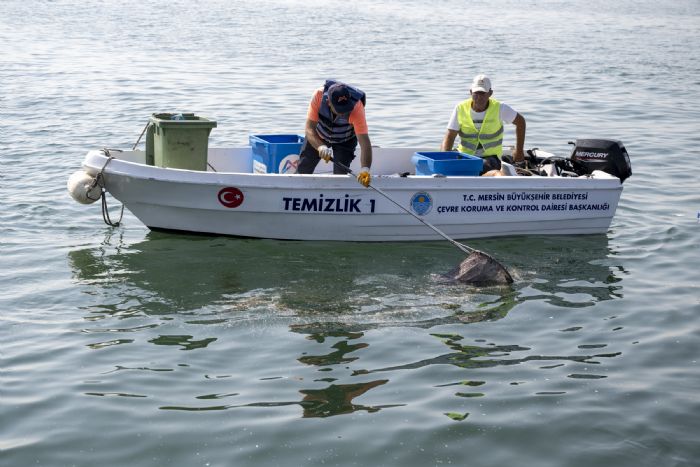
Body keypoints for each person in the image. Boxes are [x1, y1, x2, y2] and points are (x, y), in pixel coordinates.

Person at [441, 74, 526, 173]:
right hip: (466, 156)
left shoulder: (500, 108)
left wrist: (519, 151)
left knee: (480, 167)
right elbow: (449, 136)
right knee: (447, 159)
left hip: (491, 158)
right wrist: (444, 160)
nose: (479, 97)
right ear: (470, 92)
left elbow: (521, 122)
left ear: (490, 93)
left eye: (482, 93)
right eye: (476, 93)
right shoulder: (460, 108)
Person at [297, 80, 373, 187]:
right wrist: (320, 147)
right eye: (339, 109)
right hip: (319, 134)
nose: (343, 113)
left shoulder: (357, 107)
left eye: (346, 108)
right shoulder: (318, 96)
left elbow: (365, 144)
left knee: (340, 177)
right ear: (328, 102)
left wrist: (365, 169)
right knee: (303, 169)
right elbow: (309, 129)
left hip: (345, 140)